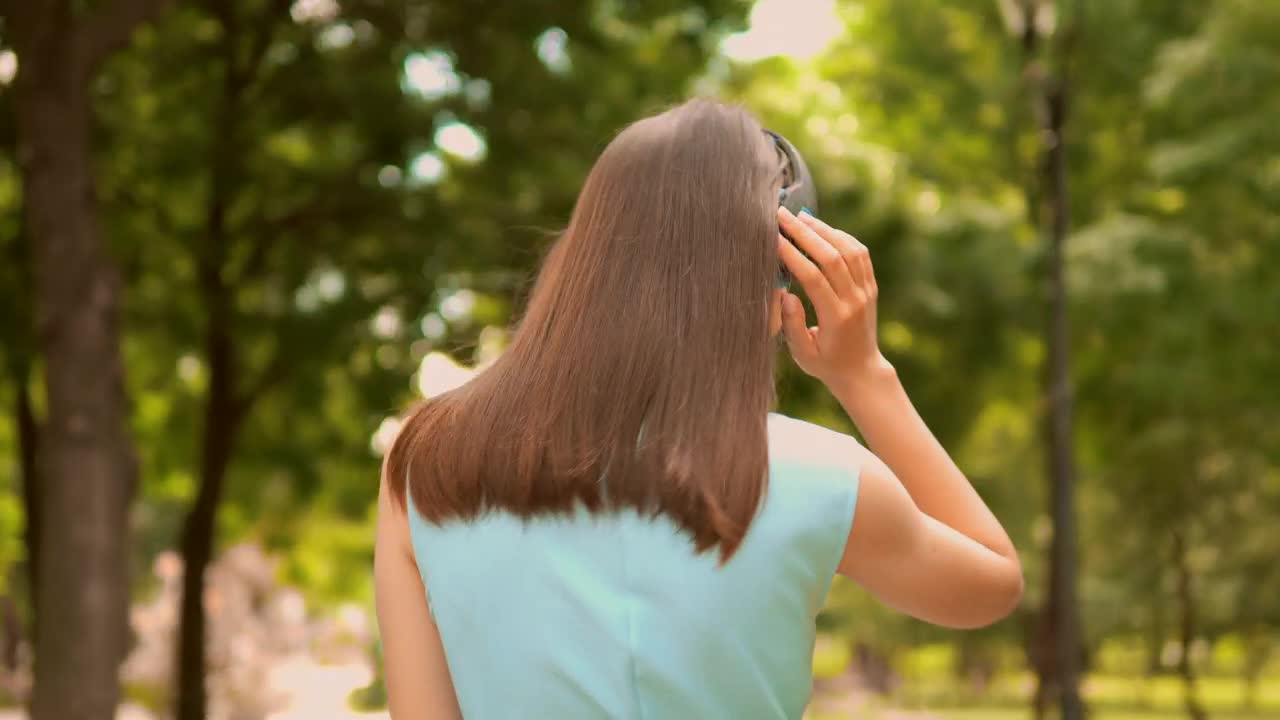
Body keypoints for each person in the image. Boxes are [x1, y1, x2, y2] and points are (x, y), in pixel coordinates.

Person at [374, 98, 1023, 719]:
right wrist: (863, 376)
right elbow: (992, 584)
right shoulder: (820, 475)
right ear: (778, 272)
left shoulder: (427, 461)